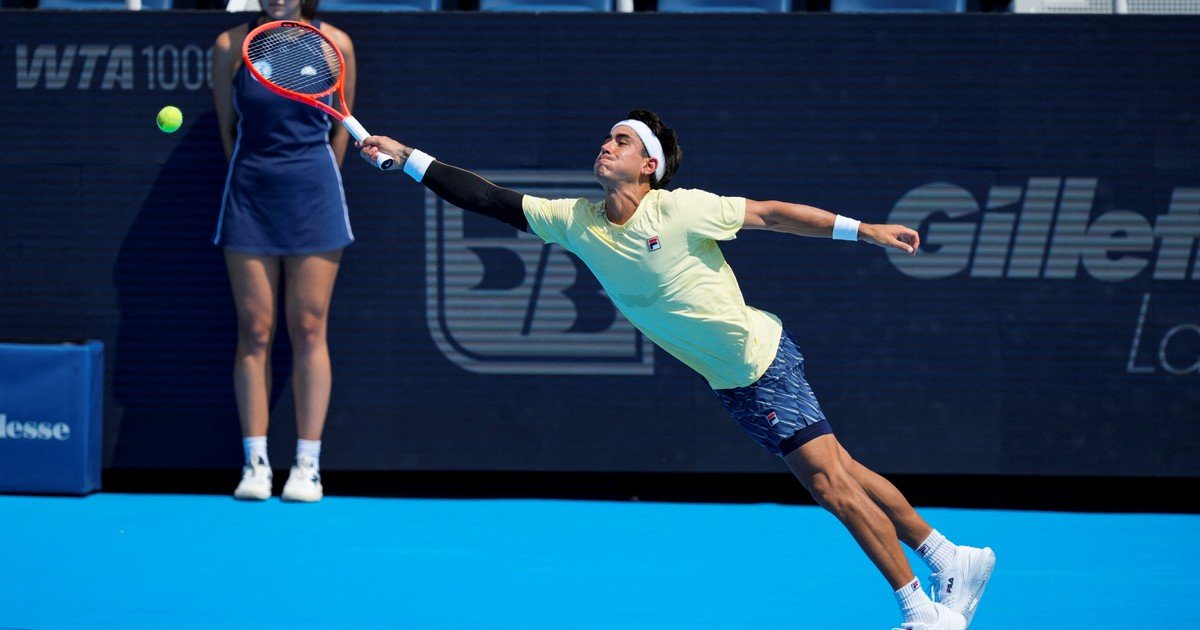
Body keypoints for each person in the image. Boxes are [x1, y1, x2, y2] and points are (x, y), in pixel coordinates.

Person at [358, 109, 995, 629]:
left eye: (621, 141)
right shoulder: (576, 222)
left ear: (649, 166)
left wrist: (867, 232)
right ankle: (950, 557)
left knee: (830, 485)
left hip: (758, 361)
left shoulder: (682, 209)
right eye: (608, 138)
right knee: (844, 469)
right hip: (733, 379)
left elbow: (772, 213)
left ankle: (921, 609)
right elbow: (489, 198)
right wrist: (408, 158)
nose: (605, 147)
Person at [210, 0, 357, 502]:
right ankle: (255, 462)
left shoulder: (336, 42)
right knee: (254, 329)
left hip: (314, 196)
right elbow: (228, 132)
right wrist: (259, 174)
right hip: (249, 195)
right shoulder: (231, 44)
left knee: (310, 327)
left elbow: (340, 129)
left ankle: (307, 465)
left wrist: (313, 177)